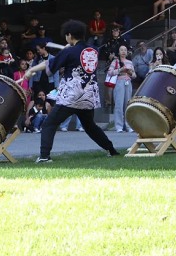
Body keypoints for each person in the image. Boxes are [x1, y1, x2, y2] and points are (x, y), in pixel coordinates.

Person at [21, 19, 120, 162]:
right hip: (88, 96)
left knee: (49, 124)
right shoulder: (93, 51)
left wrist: (32, 69)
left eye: (66, 35)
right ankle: (111, 150)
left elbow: (51, 64)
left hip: (72, 96)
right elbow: (79, 54)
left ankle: (44, 156)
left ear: (69, 35)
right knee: (90, 126)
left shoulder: (69, 52)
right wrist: (71, 47)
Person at [108, 45, 135, 132]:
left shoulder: (130, 62)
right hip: (119, 82)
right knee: (119, 105)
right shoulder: (115, 61)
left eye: (125, 50)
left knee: (128, 105)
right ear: (119, 52)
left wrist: (130, 72)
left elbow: (134, 75)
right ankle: (119, 126)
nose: (123, 52)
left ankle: (128, 126)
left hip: (128, 82)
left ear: (127, 52)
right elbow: (110, 72)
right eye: (121, 50)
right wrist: (120, 70)